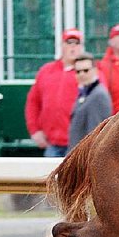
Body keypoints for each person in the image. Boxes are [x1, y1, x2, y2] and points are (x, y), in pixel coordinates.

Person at [24, 28, 85, 157]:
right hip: (53, 145)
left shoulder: (89, 72)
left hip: (80, 144)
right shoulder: (46, 71)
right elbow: (33, 102)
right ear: (62, 46)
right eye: (69, 43)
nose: (73, 47)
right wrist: (34, 130)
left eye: (77, 43)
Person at [67, 52, 112, 150]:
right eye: (78, 71)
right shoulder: (85, 93)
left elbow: (95, 136)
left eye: (86, 70)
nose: (81, 74)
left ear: (95, 71)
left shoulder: (98, 95)